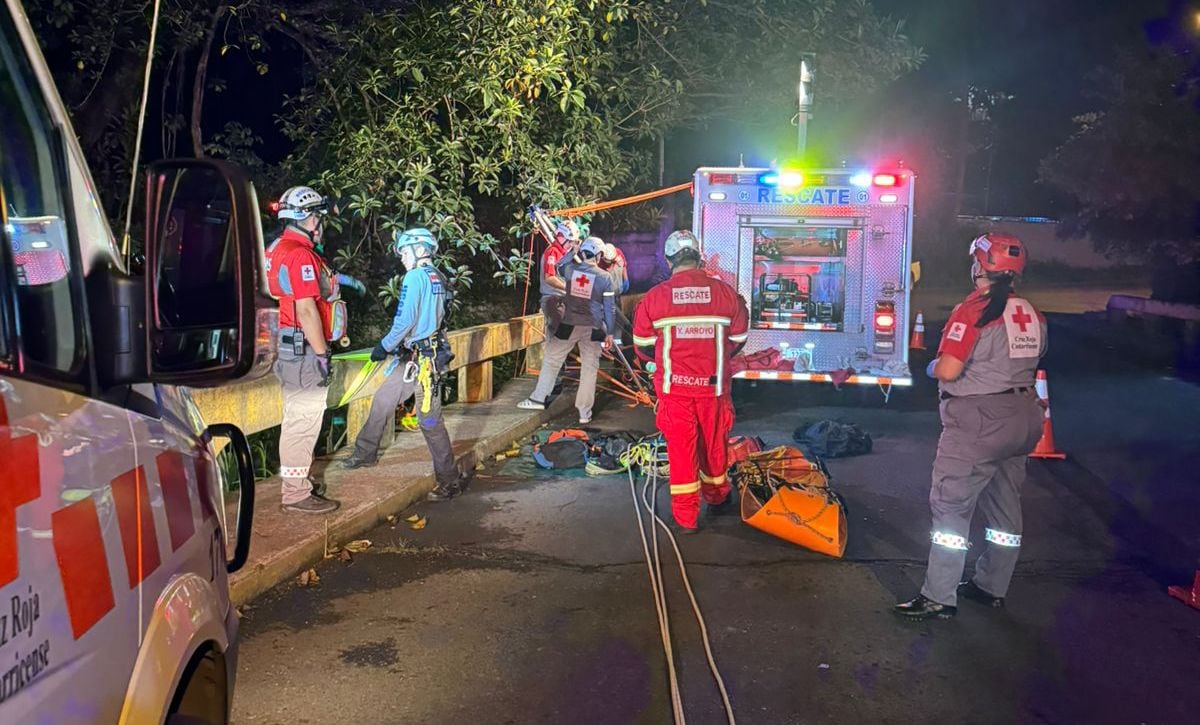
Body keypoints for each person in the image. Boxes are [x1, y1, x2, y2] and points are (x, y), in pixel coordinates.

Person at [895, 233, 1048, 620]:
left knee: (951, 507)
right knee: (1005, 506)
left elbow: (949, 369)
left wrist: (931, 366)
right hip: (1025, 416)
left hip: (980, 422)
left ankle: (938, 596)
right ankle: (991, 586)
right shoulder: (1031, 312)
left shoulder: (975, 309)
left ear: (981, 265)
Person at [632, 230, 749, 533]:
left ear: (669, 260)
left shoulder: (655, 297)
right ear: (698, 257)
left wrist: (662, 360)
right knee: (714, 445)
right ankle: (717, 496)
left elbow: (642, 345)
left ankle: (686, 518)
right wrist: (716, 355)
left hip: (674, 391)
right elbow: (738, 337)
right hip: (714, 388)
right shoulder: (725, 294)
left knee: (682, 451)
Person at [341, 228, 464, 501]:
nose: (402, 258)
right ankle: (365, 453)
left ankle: (449, 480)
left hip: (423, 361)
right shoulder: (439, 277)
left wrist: (383, 346)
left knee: (429, 420)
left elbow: (405, 320)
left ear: (420, 250)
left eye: (405, 252)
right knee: (384, 399)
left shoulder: (415, 276)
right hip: (419, 355)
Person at [266, 186, 344, 514]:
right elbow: (307, 309)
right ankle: (296, 493)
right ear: (310, 219)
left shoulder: (276, 248)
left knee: (298, 418)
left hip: (289, 343)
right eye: (319, 218)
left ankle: (299, 482)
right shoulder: (300, 255)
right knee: (303, 419)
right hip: (303, 347)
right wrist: (322, 353)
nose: (320, 224)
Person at [518, 236, 616, 425]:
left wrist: (572, 251)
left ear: (583, 253)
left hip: (570, 324)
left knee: (552, 359)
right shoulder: (605, 277)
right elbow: (609, 308)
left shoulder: (572, 270)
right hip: (594, 327)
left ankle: (538, 399)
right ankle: (584, 413)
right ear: (599, 255)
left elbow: (559, 265)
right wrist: (610, 333)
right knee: (589, 368)